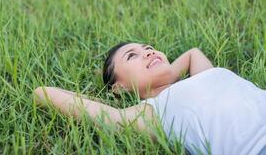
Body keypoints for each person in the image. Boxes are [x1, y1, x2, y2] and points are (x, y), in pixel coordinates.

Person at [33, 42, 266, 155]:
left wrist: (167, 77)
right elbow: (42, 92)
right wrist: (110, 101)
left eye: (149, 48)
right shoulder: (152, 112)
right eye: (132, 56)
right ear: (120, 87)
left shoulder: (202, 76)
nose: (149, 52)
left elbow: (192, 54)